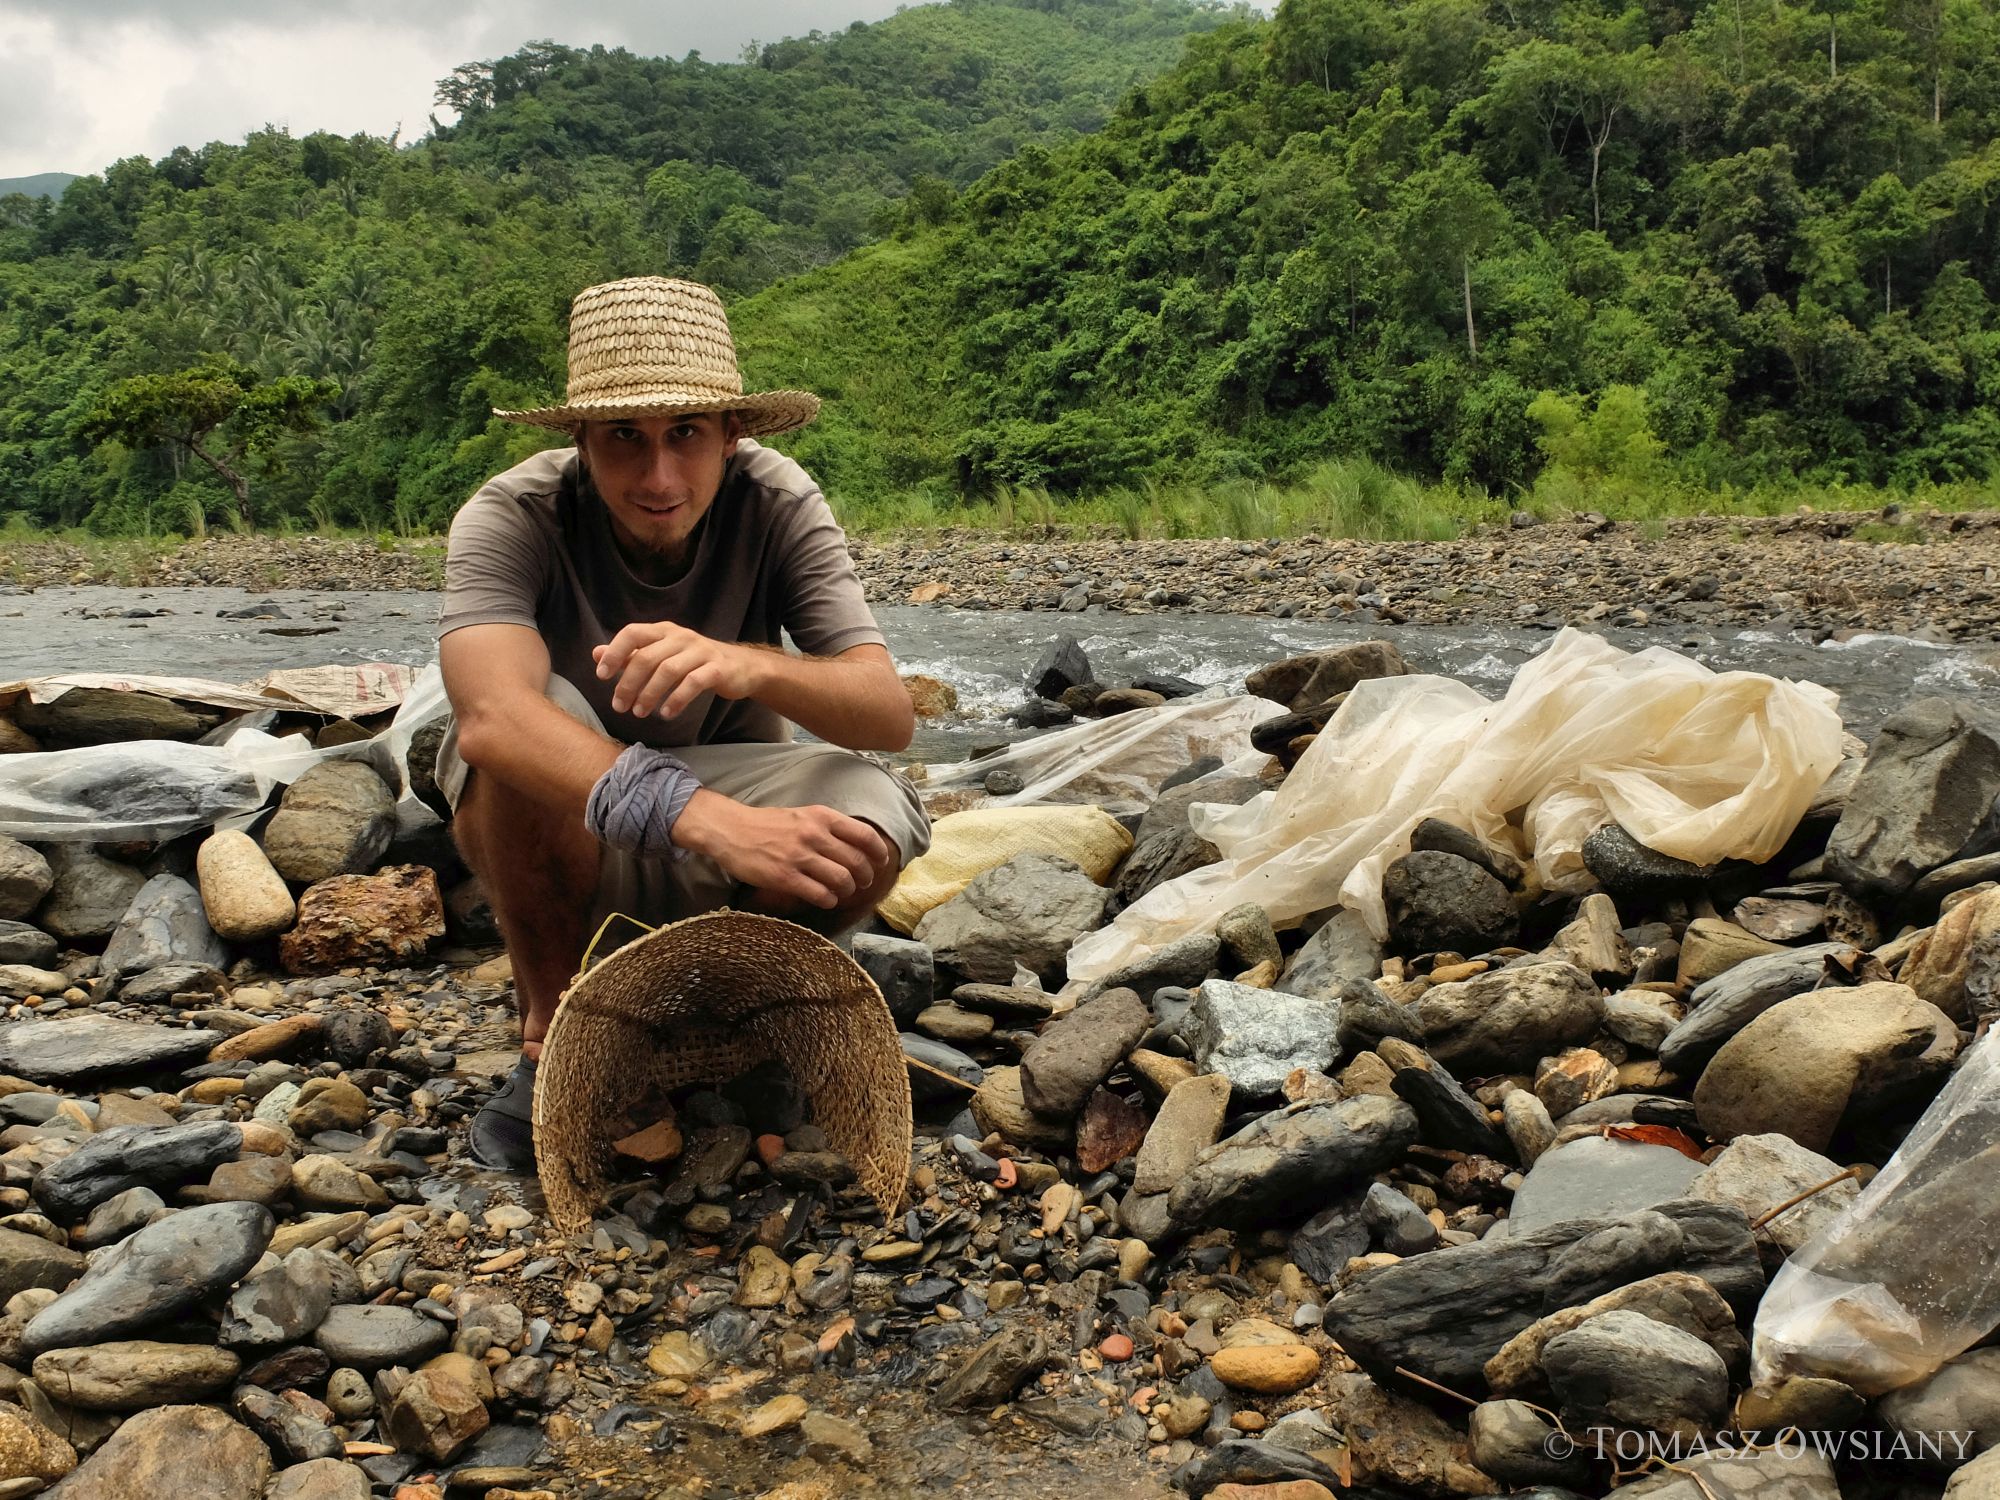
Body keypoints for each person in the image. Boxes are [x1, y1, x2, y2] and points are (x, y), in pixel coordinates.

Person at [433, 275, 931, 1172]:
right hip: (555, 813)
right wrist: (709, 821)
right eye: (625, 437)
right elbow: (491, 720)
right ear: (579, 439)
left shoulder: (777, 502)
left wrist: (747, 660)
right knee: (532, 723)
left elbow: (887, 713)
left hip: (714, 787)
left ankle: (721, 1024)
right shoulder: (511, 515)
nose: (659, 477)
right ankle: (549, 1036)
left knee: (867, 823)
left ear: (732, 435)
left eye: (686, 435)